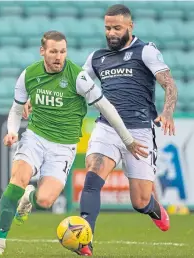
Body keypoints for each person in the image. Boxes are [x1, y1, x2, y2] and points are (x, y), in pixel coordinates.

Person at [0, 30, 148, 256]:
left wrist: (128, 140)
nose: (58, 56)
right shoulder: (29, 74)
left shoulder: (77, 77)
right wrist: (13, 131)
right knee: (16, 181)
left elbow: (106, 107)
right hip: (35, 137)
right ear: (42, 51)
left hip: (63, 148)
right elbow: (16, 108)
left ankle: (29, 197)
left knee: (45, 200)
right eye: (53, 51)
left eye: (62, 51)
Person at [78, 5, 178, 255]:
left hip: (140, 131)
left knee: (139, 201)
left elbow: (169, 83)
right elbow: (76, 85)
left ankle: (154, 208)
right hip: (107, 129)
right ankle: (85, 239)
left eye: (117, 28)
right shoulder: (96, 58)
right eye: (107, 28)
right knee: (92, 176)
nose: (111, 33)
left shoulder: (145, 52)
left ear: (130, 26)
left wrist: (167, 112)